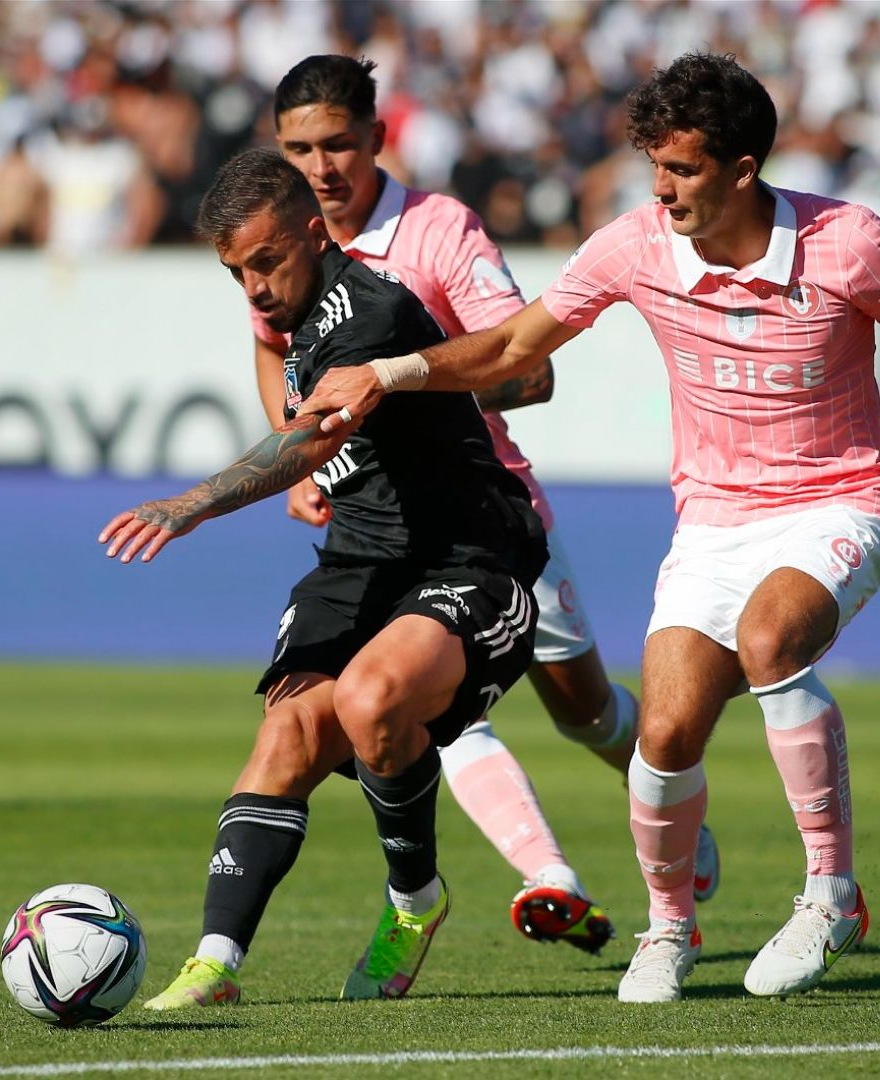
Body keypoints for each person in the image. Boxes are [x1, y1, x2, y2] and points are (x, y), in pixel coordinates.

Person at [302, 53, 880, 1003]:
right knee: (665, 734)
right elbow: (516, 345)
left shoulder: (851, 245)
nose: (660, 186)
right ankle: (668, 931)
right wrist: (389, 375)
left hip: (837, 499)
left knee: (769, 643)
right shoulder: (636, 245)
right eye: (655, 164)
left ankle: (831, 895)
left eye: (680, 168)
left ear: (743, 169)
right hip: (713, 521)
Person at [256, 55, 716, 950]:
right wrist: (304, 455)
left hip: (491, 521)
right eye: (298, 148)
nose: (319, 167)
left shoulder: (438, 233)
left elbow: (530, 370)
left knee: (584, 711)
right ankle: (551, 877)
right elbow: (273, 352)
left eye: (337, 144)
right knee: (413, 702)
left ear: (378, 139)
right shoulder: (280, 242)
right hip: (382, 540)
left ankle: (674, 803)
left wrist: (399, 387)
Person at [102, 148, 549, 1008]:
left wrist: (193, 503)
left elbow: (309, 437)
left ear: (315, 234)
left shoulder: (368, 313)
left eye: (267, 262)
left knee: (372, 699)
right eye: (237, 273)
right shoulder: (297, 321)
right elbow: (311, 424)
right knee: (288, 733)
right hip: (360, 564)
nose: (255, 287)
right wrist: (324, 480)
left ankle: (414, 902)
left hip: (470, 561)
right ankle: (214, 964)